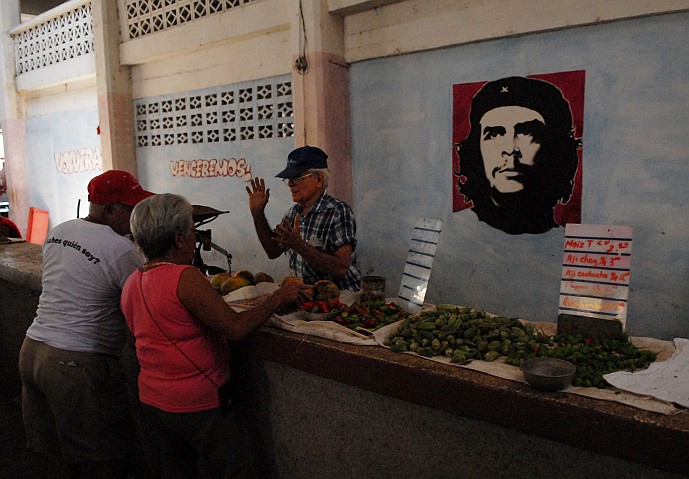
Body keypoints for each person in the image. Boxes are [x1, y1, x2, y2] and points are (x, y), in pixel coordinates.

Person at [120, 193, 306, 478]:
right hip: (199, 404)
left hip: (154, 401)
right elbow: (236, 328)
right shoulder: (185, 278)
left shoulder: (133, 281)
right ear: (180, 240)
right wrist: (279, 297)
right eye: (192, 233)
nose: (195, 239)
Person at [18, 170, 154, 478]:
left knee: (55, 452)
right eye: (130, 209)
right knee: (103, 458)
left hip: (33, 352)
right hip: (76, 365)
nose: (135, 217)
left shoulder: (59, 231)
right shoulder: (121, 251)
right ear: (109, 210)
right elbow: (145, 301)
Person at [455, 76, 581, 235]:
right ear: (475, 150)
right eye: (494, 134)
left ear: (557, 150)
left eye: (527, 132)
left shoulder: (568, 242)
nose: (510, 148)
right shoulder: (452, 231)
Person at [246, 145, 361, 290]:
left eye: (297, 178)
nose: (290, 184)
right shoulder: (292, 214)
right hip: (306, 297)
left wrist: (300, 246)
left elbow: (341, 268)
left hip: (340, 298)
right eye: (288, 179)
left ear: (319, 179)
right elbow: (273, 251)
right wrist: (258, 214)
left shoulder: (338, 212)